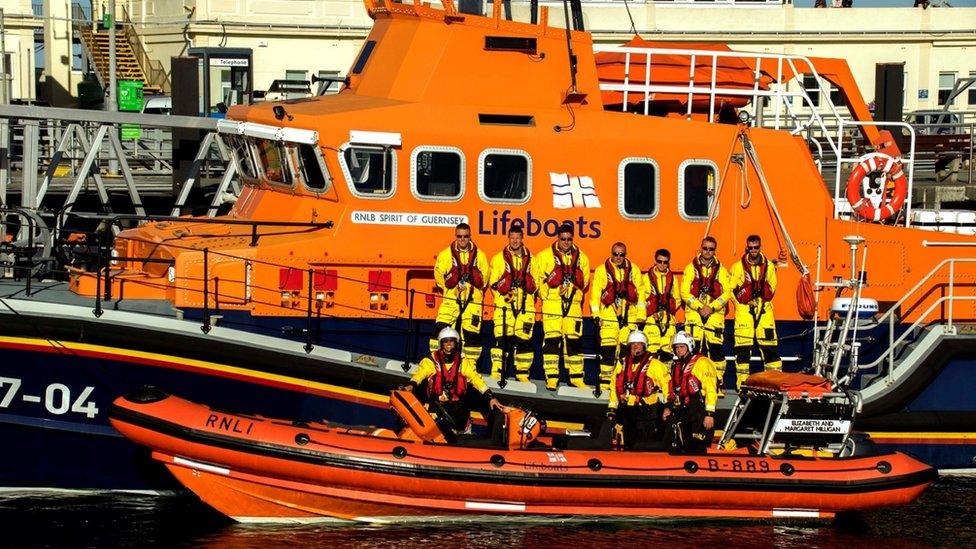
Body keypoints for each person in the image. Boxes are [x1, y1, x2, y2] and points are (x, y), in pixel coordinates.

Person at [402, 327, 505, 438]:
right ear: (441, 344)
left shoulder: (464, 363)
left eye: (451, 341)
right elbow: (419, 375)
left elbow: (477, 380)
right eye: (445, 342)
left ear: (457, 343)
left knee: (463, 416)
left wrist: (491, 397)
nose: (449, 345)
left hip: (458, 410)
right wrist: (411, 385)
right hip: (437, 408)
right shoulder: (430, 362)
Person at [537, 223, 591, 390]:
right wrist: (550, 290)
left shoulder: (582, 257)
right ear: (557, 238)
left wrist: (573, 287)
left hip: (573, 305)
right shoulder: (544, 256)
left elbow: (585, 281)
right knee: (552, 341)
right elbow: (537, 281)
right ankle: (552, 378)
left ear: (572, 238)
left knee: (574, 342)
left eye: (569, 239)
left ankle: (576, 378)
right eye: (563, 239)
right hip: (552, 304)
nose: (566, 242)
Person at [729, 235, 782, 390]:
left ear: (760, 247)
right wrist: (741, 303)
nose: (753, 250)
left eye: (756, 247)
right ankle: (742, 385)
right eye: (750, 248)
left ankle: (774, 383)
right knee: (743, 351)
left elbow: (772, 286)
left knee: (770, 349)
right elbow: (731, 290)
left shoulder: (769, 267)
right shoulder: (737, 267)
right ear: (747, 248)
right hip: (744, 312)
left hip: (765, 311)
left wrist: (761, 301)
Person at [487, 223, 539, 382]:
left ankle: (522, 375)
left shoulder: (532, 259)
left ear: (522, 239)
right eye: (512, 238)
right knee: (502, 340)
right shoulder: (498, 259)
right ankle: (497, 373)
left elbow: (536, 284)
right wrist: (503, 299)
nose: (515, 241)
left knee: (524, 342)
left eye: (518, 238)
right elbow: (493, 284)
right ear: (508, 238)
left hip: (525, 307)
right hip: (505, 306)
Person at [431, 222, 489, 362]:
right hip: (451, 300)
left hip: (473, 302)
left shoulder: (480, 256)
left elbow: (485, 279)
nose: (462, 239)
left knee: (472, 336)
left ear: (470, 236)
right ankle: (437, 363)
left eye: (466, 236)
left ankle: (470, 368)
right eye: (459, 236)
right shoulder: (445, 255)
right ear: (456, 236)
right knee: (440, 331)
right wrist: (450, 288)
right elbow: (439, 277)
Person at [680, 236, 731, 393]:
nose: (707, 252)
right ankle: (691, 382)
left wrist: (712, 307)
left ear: (714, 251)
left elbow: (727, 293)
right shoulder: (690, 268)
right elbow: (684, 292)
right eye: (705, 248)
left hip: (714, 315)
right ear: (700, 249)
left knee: (716, 350)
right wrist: (699, 306)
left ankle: (717, 382)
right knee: (694, 350)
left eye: (711, 249)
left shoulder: (722, 270)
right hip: (695, 314)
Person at [590, 242, 642, 392]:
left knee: (627, 354)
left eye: (622, 254)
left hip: (629, 319)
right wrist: (596, 315)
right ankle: (606, 385)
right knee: (607, 352)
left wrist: (640, 317)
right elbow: (595, 296)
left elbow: (642, 295)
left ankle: (623, 384)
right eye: (615, 254)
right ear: (611, 254)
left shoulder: (634, 270)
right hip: (608, 318)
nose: (618, 257)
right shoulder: (601, 271)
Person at [606, 331, 670, 450]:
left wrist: (668, 406)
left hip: (646, 412)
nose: (635, 347)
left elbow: (667, 385)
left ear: (644, 346)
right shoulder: (622, 363)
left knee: (644, 444)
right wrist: (612, 408)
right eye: (632, 345)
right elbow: (614, 385)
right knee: (627, 443)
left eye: (638, 344)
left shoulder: (655, 365)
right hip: (626, 410)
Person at [662, 331, 718, 455]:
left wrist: (709, 413)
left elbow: (710, 389)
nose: (678, 350)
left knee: (698, 445)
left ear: (690, 346)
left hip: (699, 409)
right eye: (676, 347)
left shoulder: (702, 362)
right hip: (683, 409)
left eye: (682, 347)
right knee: (682, 443)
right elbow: (675, 389)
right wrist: (669, 406)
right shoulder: (677, 365)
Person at [641, 248, 682, 362]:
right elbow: (641, 299)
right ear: (655, 261)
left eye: (665, 262)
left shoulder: (673, 279)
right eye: (659, 261)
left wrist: (667, 311)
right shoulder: (645, 278)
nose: (662, 265)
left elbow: (677, 299)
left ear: (668, 262)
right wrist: (650, 312)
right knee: (650, 352)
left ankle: (665, 378)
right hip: (651, 320)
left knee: (667, 354)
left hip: (668, 321)